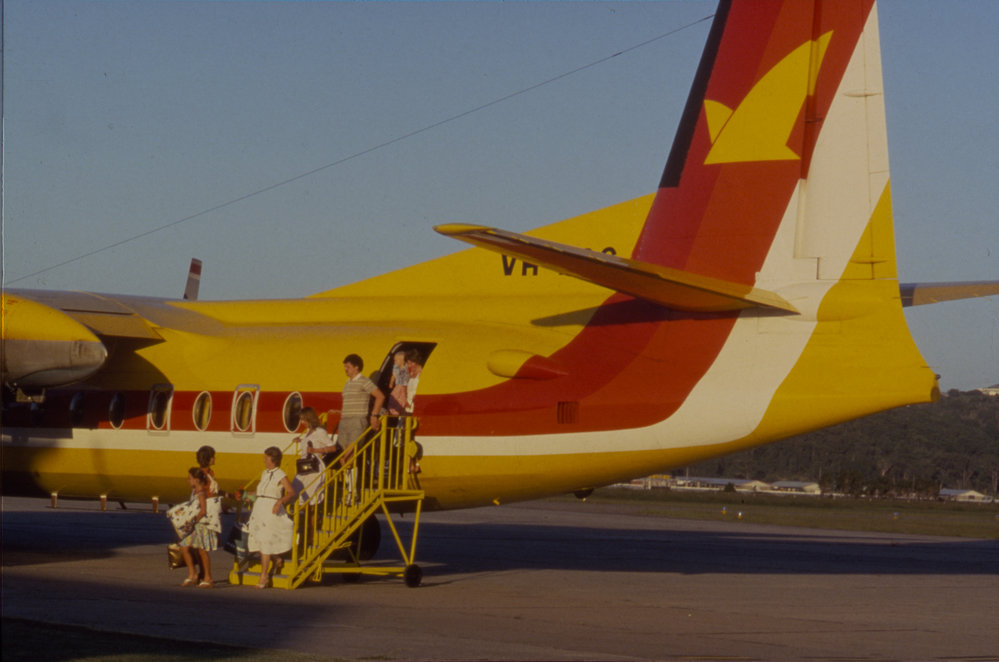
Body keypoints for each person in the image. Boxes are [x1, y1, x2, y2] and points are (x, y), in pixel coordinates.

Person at [246, 446, 295, 588]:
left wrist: (280, 502)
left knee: (266, 542)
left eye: (266, 458)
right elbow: (260, 490)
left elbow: (291, 492)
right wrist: (248, 494)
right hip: (260, 508)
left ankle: (264, 577)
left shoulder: (280, 474)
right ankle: (276, 558)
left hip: (271, 509)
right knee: (259, 538)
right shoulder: (264, 473)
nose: (264, 460)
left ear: (273, 459)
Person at [178, 467, 219, 588]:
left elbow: (203, 510)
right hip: (194, 525)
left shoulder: (201, 492)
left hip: (200, 526)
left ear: (196, 480)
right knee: (184, 547)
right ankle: (193, 574)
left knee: (202, 551)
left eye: (190, 478)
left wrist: (192, 522)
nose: (188, 481)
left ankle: (208, 577)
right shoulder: (195, 491)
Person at [337, 354, 385, 448]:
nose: (345, 369)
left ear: (356, 367)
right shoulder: (347, 383)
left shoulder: (364, 381)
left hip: (357, 420)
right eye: (345, 367)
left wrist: (374, 415)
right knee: (343, 452)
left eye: (348, 367)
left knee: (350, 451)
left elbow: (380, 396)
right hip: (345, 420)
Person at [294, 407, 331, 505]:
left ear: (309, 418)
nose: (301, 422)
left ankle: (312, 519)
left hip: (314, 467)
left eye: (303, 419)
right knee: (299, 492)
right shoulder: (308, 431)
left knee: (311, 500)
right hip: (304, 466)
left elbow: (332, 447)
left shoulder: (320, 431)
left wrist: (315, 450)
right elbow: (313, 442)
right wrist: (301, 441)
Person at [386, 350, 409, 415]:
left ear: (403, 361)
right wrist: (391, 383)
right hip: (398, 385)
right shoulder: (396, 368)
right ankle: (393, 411)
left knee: (403, 399)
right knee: (394, 397)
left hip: (405, 386)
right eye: (394, 360)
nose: (394, 362)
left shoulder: (407, 367)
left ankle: (400, 410)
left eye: (396, 360)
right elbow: (393, 376)